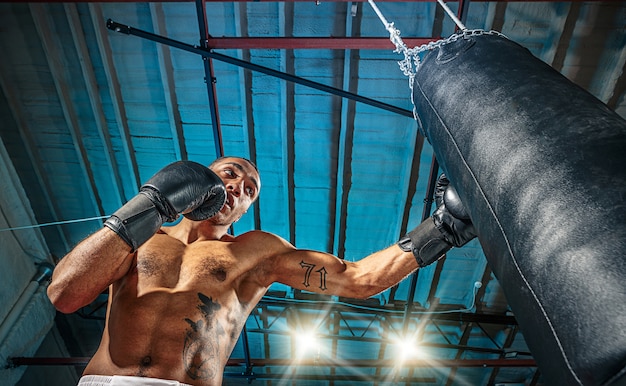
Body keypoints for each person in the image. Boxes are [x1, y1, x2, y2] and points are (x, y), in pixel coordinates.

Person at [47, 156, 475, 386]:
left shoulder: (256, 251)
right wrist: (149, 207)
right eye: (229, 175)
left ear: (248, 207)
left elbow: (360, 279)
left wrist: (443, 227)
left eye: (249, 189)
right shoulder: (139, 238)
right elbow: (63, 294)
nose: (237, 187)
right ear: (201, 179)